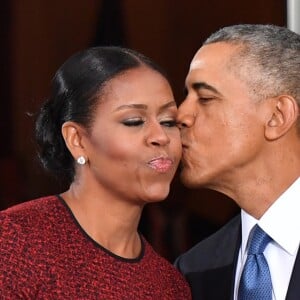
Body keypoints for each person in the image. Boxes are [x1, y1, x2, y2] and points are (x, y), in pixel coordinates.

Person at [0, 46, 192, 299]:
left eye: (168, 122)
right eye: (134, 121)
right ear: (77, 139)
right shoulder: (14, 241)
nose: (161, 137)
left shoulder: (171, 286)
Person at [175, 24, 300, 300]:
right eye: (186, 96)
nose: (181, 114)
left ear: (277, 116)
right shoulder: (193, 270)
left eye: (205, 98)